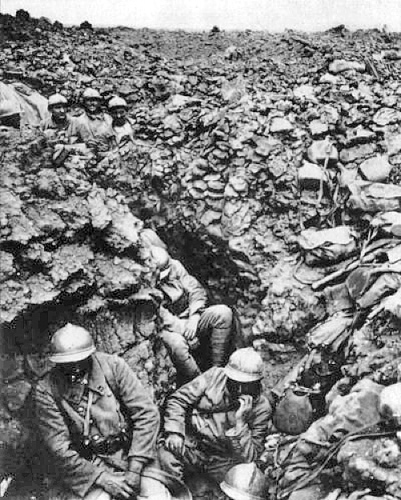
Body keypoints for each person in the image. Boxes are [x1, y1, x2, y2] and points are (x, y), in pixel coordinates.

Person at [32, 323, 160, 500]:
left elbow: (146, 414)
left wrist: (135, 467)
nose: (76, 368)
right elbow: (59, 448)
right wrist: (101, 478)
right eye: (68, 364)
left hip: (130, 453)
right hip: (89, 466)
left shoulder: (113, 366)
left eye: (81, 360)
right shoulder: (46, 390)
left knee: (157, 495)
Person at [158, 348, 272, 487]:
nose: (241, 390)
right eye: (236, 383)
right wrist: (175, 431)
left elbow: (250, 459)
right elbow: (178, 400)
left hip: (223, 459)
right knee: (165, 455)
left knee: (244, 485)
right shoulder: (214, 376)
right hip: (194, 446)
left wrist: (241, 423)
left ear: (258, 382)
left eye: (247, 385)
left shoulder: (262, 408)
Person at [150, 246, 235, 384]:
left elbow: (195, 289)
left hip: (187, 317)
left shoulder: (174, 266)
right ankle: (201, 384)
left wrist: (195, 315)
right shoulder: (145, 281)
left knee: (223, 313)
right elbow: (160, 315)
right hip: (165, 327)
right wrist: (185, 331)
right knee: (177, 344)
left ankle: (216, 371)